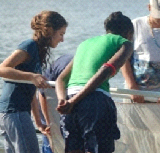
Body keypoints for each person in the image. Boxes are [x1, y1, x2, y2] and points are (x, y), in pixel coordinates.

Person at [55, 11, 134, 153]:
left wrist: (64, 101)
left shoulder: (85, 44)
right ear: (129, 33)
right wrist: (73, 102)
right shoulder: (125, 43)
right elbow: (105, 70)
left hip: (70, 99)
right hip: (94, 102)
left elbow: (61, 79)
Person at [0, 10, 68, 153]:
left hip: (16, 111)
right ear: (49, 31)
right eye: (61, 34)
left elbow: (31, 92)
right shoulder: (29, 45)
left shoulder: (39, 51)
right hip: (14, 110)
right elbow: (2, 69)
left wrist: (39, 123)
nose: (62, 39)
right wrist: (31, 76)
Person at [38, 54, 73, 153]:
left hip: (64, 97)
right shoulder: (65, 68)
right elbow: (42, 94)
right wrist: (50, 123)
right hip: (48, 99)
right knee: (51, 135)